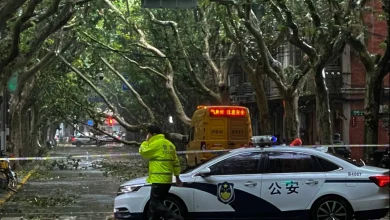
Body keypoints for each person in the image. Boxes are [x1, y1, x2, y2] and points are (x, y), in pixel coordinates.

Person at [139, 125, 184, 220]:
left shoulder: (156, 144)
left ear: (153, 134)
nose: (147, 135)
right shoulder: (170, 144)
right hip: (167, 180)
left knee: (155, 204)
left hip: (159, 180)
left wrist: (144, 142)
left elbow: (144, 152)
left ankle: (176, 218)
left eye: (148, 134)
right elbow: (176, 162)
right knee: (155, 205)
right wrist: (177, 177)